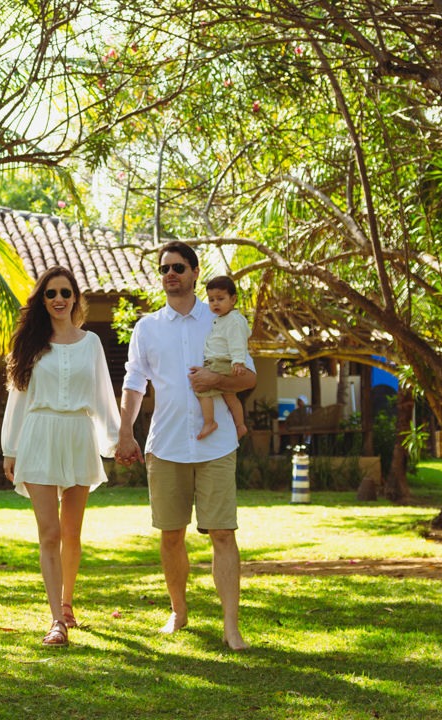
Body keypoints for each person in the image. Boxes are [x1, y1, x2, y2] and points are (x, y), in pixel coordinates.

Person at [115, 241, 257, 651]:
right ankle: (179, 611)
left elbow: (248, 379)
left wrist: (217, 382)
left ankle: (232, 626)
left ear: (195, 272)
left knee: (223, 534)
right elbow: (133, 383)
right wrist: (127, 432)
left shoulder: (221, 318)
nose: (170, 273)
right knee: (171, 535)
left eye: (178, 267)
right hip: (166, 444)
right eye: (164, 268)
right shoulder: (147, 328)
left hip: (218, 443)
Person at [1, 266, 121, 648]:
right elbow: (18, 398)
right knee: (49, 533)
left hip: (79, 436)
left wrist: (117, 441)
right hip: (39, 435)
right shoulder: (31, 343)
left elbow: (103, 394)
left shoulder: (92, 343)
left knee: (71, 532)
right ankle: (56, 621)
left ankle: (68, 602)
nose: (58, 299)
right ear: (43, 300)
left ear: (75, 297)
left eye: (65, 292)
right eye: (51, 293)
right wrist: (10, 447)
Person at [194, 275, 251, 440]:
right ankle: (240, 425)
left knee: (201, 388)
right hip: (224, 363)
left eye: (220, 299)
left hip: (221, 363)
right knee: (230, 397)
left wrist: (239, 362)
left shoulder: (234, 320)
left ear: (233, 299)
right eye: (211, 300)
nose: (215, 303)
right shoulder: (226, 318)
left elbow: (238, 342)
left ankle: (209, 422)